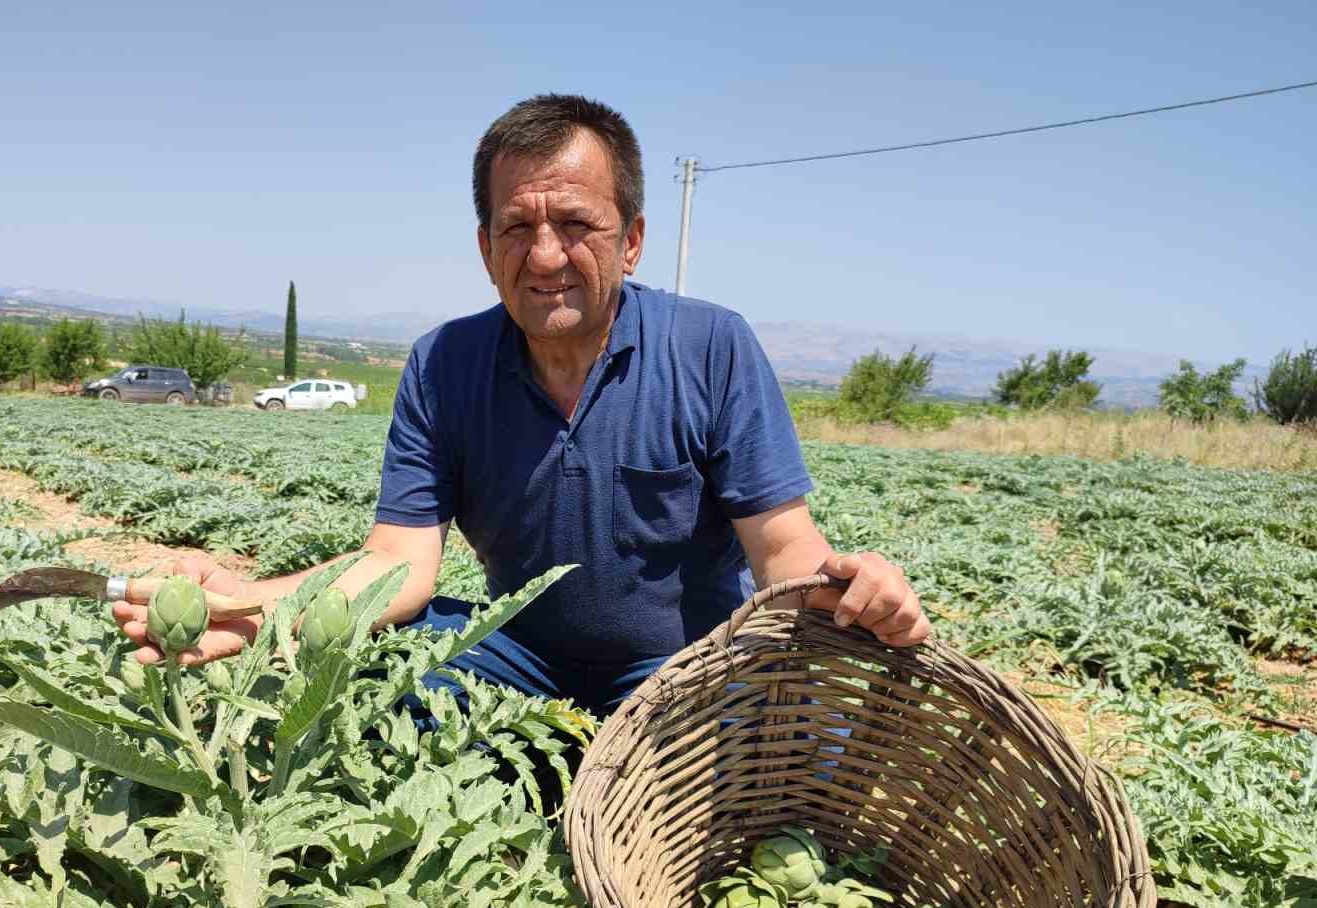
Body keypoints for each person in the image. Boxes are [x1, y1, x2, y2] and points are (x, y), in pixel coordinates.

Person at [115, 93, 929, 715]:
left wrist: (849, 584)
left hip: (684, 667)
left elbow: (782, 549)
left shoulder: (711, 347)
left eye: (576, 223)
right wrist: (253, 605)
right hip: (511, 656)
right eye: (517, 228)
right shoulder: (444, 363)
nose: (545, 257)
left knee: (803, 744)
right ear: (485, 247)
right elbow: (396, 567)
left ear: (631, 240)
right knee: (363, 682)